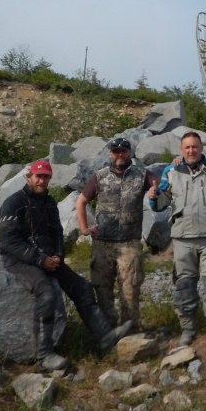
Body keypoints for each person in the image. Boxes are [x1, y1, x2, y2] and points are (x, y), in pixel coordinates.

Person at [0, 160, 132, 372]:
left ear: (50, 178)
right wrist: (41, 260)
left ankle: (104, 335)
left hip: (49, 259)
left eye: (46, 177)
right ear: (28, 177)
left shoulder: (49, 203)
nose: (41, 180)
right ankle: (44, 355)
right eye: (38, 176)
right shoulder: (13, 204)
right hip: (20, 261)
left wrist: (57, 256)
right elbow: (9, 241)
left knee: (82, 287)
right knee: (47, 293)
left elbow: (58, 233)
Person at [151, 132, 206, 344]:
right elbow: (161, 203)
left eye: (195, 147)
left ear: (201, 148)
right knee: (184, 286)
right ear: (181, 150)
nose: (191, 151)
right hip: (182, 238)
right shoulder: (170, 171)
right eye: (187, 147)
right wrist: (153, 197)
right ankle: (188, 329)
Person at [75, 137, 160, 330]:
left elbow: (163, 186)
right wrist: (84, 228)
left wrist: (157, 189)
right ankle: (108, 328)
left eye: (123, 150)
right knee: (102, 287)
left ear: (129, 152)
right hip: (102, 243)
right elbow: (81, 202)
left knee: (130, 286)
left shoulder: (142, 174)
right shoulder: (100, 176)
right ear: (110, 154)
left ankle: (130, 327)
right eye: (115, 151)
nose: (119, 154)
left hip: (130, 242)